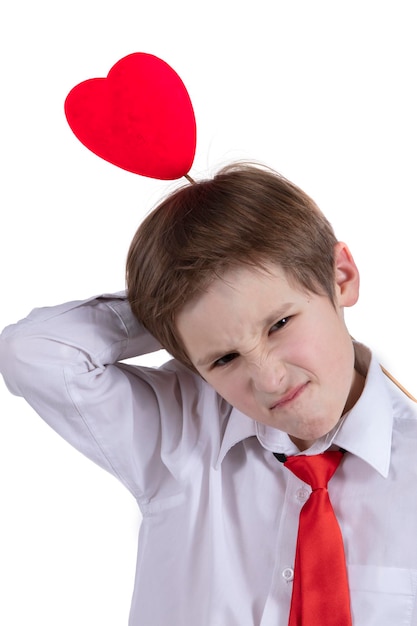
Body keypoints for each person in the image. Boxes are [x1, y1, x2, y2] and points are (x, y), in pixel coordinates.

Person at [0, 162, 416, 625]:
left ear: (340, 276)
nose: (270, 379)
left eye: (279, 324)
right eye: (224, 359)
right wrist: (171, 308)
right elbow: (31, 353)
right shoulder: (177, 436)